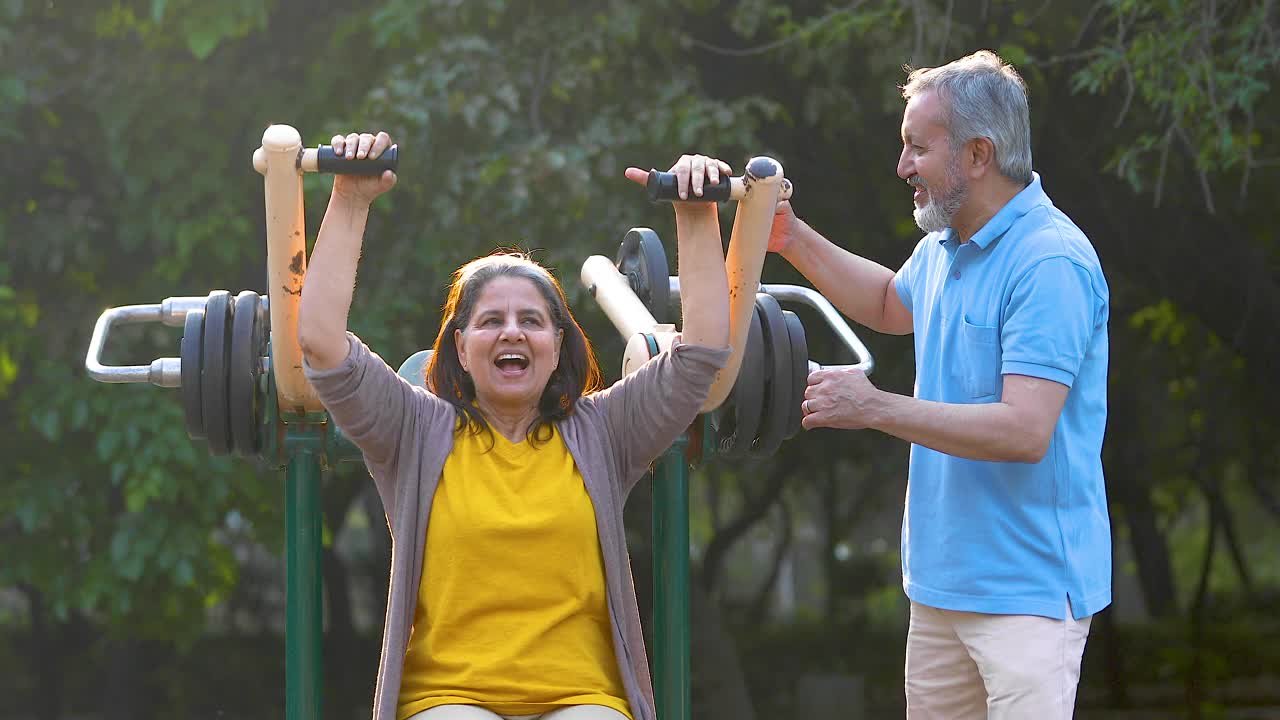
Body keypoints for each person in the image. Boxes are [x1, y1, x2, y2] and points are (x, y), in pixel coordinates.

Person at [297, 131, 733, 720]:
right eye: (490, 320)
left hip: (584, 698)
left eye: (532, 320)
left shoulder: (603, 431)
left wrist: (696, 213)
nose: (512, 332)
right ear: (459, 345)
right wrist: (350, 198)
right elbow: (322, 345)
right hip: (448, 699)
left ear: (558, 345)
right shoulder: (414, 428)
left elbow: (700, 355)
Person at [771, 51, 1111, 718]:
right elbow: (889, 304)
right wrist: (791, 238)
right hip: (939, 589)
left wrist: (874, 407)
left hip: (1027, 597)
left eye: (917, 148)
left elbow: (1024, 430)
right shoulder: (946, 244)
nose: (902, 168)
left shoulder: (1050, 262)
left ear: (978, 155)